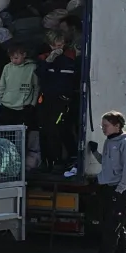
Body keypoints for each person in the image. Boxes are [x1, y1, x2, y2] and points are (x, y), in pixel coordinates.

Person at [89, 111, 126, 253]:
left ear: (117, 126)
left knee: (111, 231)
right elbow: (108, 164)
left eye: (106, 126)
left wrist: (120, 191)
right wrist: (95, 153)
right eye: (102, 126)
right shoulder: (109, 142)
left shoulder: (125, 143)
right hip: (108, 189)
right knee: (117, 229)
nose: (103, 129)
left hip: (119, 191)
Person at [37, 30, 80, 174]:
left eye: (60, 45)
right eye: (55, 45)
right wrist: (49, 61)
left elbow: (75, 79)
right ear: (50, 45)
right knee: (44, 130)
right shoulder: (44, 59)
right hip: (47, 99)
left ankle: (62, 160)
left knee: (58, 128)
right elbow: (40, 75)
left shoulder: (70, 60)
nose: (58, 48)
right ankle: (47, 161)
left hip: (63, 100)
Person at [0, 43, 38, 126]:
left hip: (24, 107)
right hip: (7, 105)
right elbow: (2, 86)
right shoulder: (7, 67)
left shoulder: (32, 68)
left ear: (24, 55)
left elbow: (36, 87)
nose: (13, 60)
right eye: (11, 58)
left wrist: (33, 104)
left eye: (16, 58)